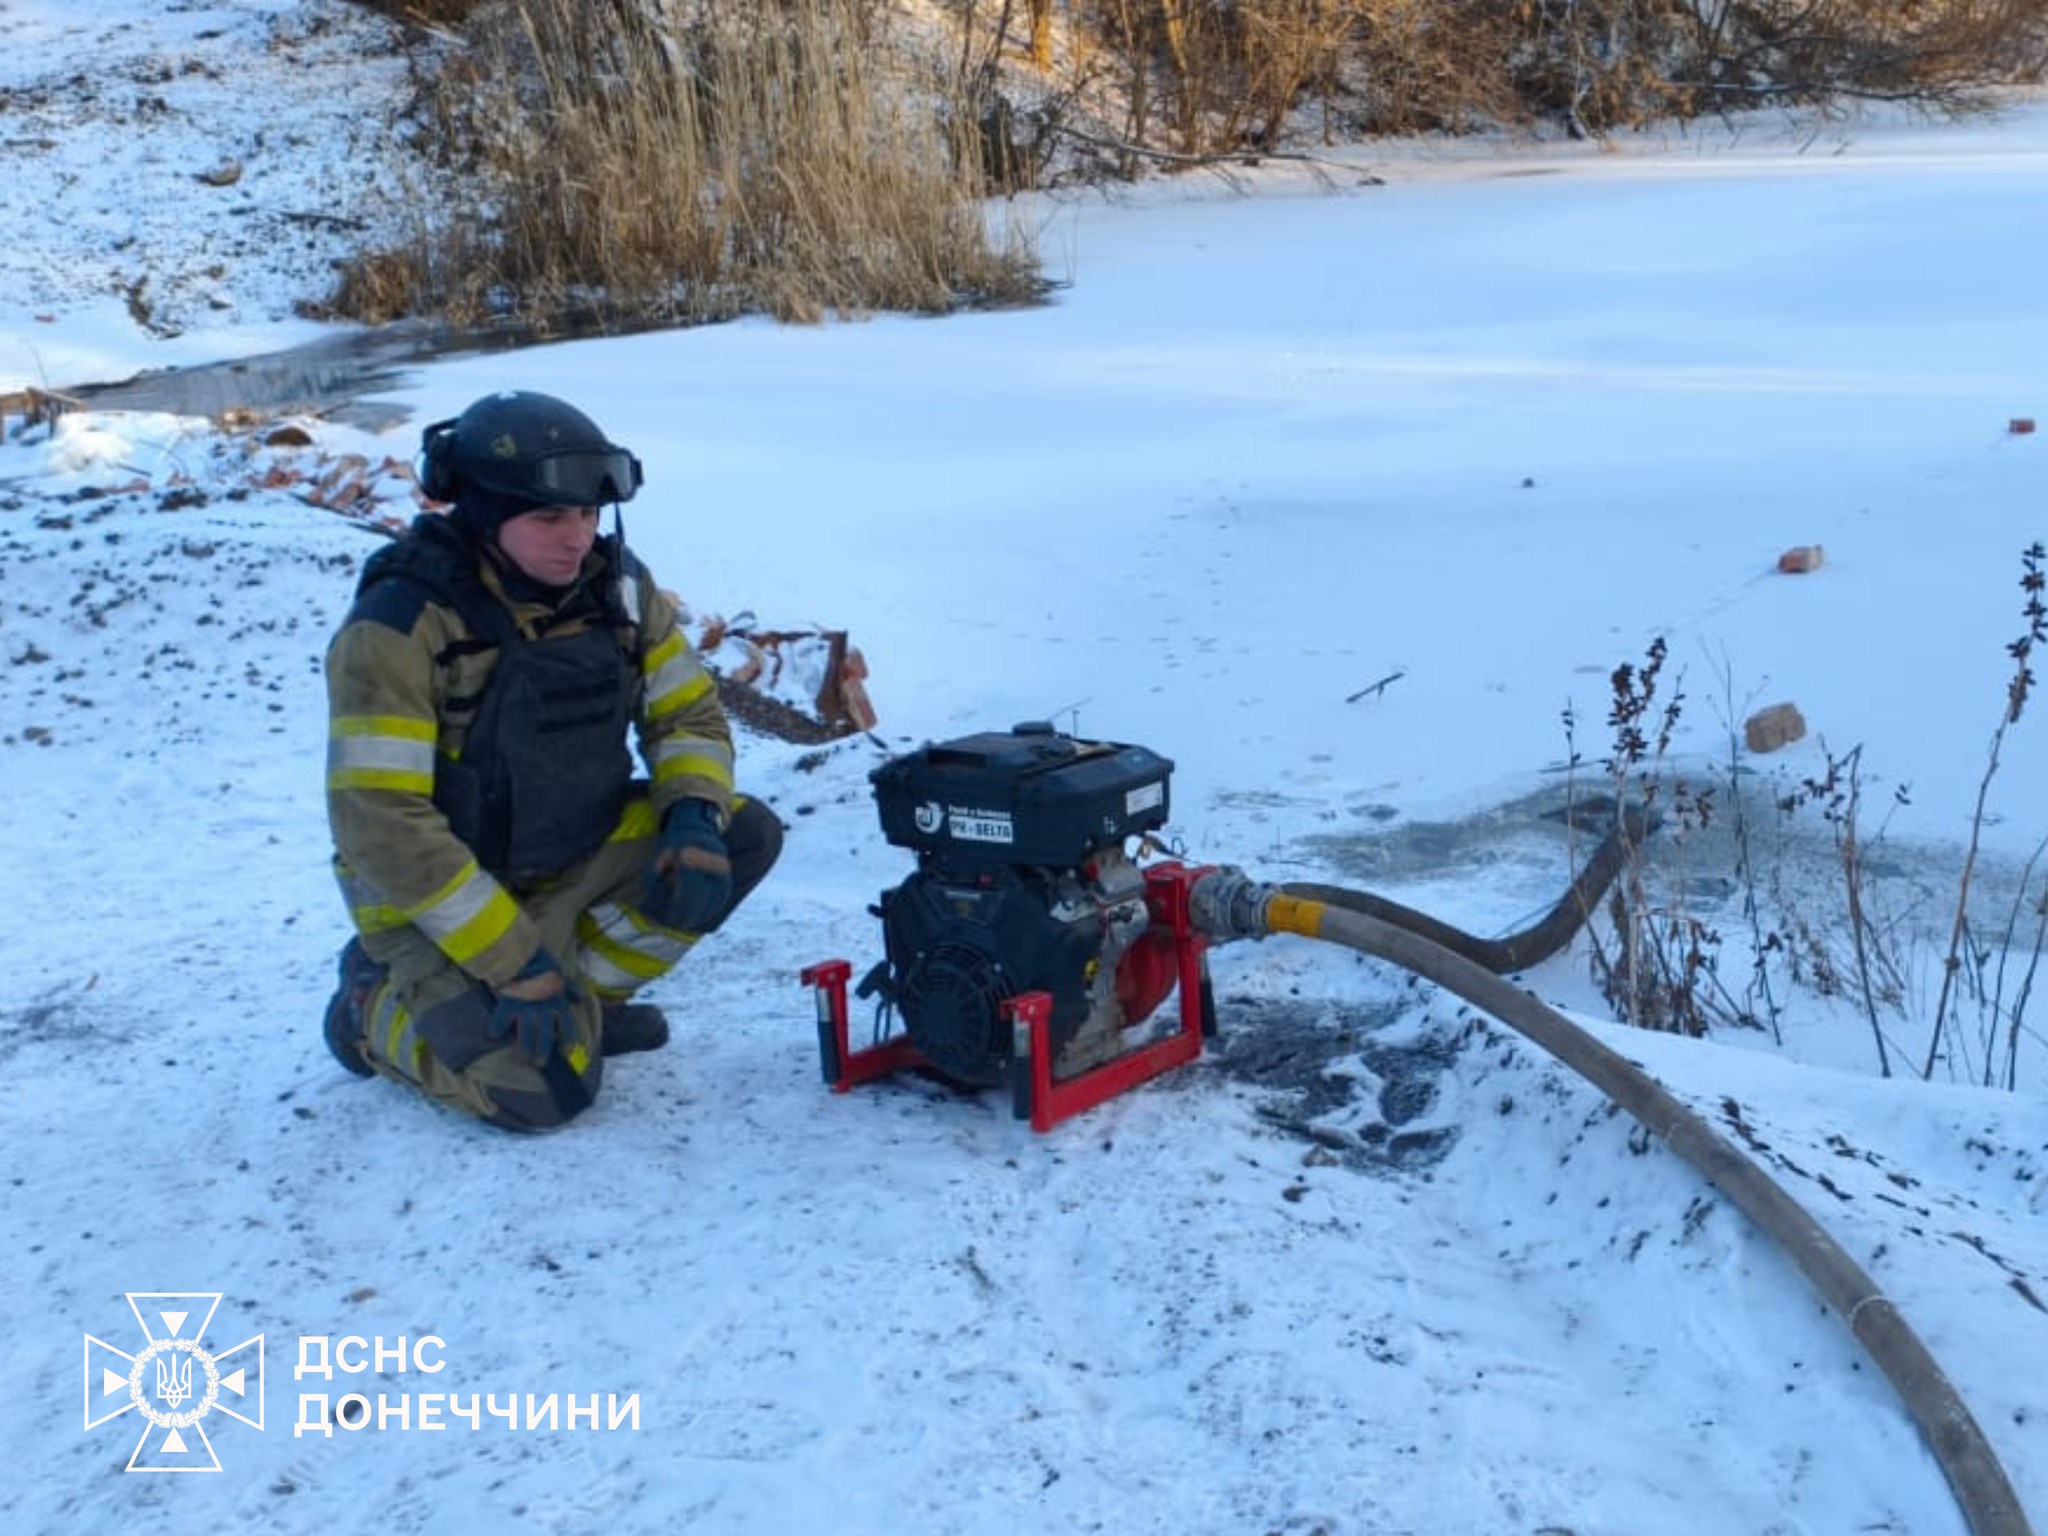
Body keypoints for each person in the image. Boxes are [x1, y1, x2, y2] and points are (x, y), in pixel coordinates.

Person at [318, 389, 782, 1131]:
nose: (577, 538)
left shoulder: (617, 587)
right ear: (480, 513)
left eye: (590, 515)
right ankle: (369, 1010)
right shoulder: (399, 625)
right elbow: (381, 823)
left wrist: (693, 816)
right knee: (541, 1096)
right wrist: (512, 962)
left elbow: (686, 713)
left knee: (737, 836)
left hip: (569, 852)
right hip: (437, 904)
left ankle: (583, 1009)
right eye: (549, 517)